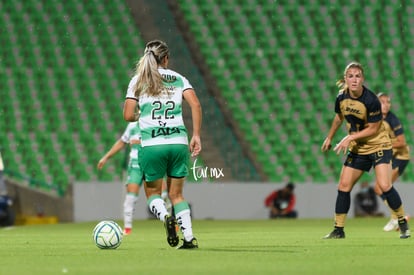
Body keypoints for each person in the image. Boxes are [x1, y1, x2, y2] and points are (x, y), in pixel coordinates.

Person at [123, 40, 202, 249]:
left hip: (152, 144)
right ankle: (189, 238)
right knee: (177, 194)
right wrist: (196, 135)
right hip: (178, 142)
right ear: (166, 58)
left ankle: (166, 217)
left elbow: (128, 115)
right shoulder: (178, 78)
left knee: (153, 194)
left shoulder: (138, 80)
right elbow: (195, 104)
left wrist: (141, 114)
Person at [321, 61, 410, 239]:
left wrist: (350, 137)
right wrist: (330, 136)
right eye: (350, 76)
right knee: (343, 186)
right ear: (345, 78)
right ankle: (338, 229)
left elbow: (373, 129)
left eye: (358, 76)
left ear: (363, 79)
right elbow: (339, 117)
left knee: (384, 186)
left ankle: (402, 221)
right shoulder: (341, 97)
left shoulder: (371, 100)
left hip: (379, 146)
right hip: (359, 148)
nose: (354, 79)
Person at [97, 121, 143, 235]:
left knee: (162, 195)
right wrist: (105, 157)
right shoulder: (132, 126)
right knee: (130, 196)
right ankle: (127, 228)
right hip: (135, 165)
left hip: (153, 163)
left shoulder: (156, 123)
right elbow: (122, 142)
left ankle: (169, 223)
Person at [374, 93, 411, 231]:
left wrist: (383, 143)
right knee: (378, 188)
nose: (386, 104)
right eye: (383, 102)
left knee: (383, 186)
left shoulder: (392, 119)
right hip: (391, 156)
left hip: (401, 157)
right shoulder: (375, 118)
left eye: (388, 102)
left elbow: (402, 142)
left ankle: (398, 217)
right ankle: (397, 216)